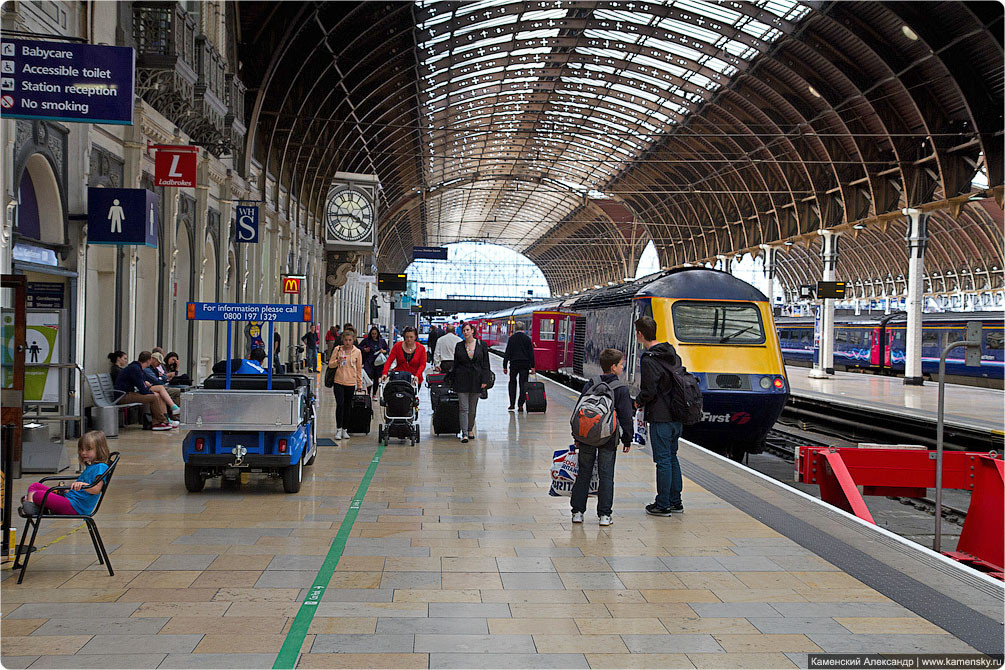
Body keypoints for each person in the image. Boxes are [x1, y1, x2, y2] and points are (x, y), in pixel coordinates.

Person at [569, 349, 633, 526]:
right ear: (613, 367)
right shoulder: (620, 389)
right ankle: (604, 515)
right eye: (621, 365)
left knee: (584, 473)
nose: (623, 367)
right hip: (608, 438)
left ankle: (577, 512)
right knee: (606, 475)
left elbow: (579, 410)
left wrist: (577, 436)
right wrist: (628, 439)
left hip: (586, 435)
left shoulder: (590, 384)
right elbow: (626, 417)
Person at [634, 315, 685, 516]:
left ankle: (662, 503)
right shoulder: (673, 354)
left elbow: (649, 390)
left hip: (661, 417)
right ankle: (676, 501)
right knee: (672, 457)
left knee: (662, 459)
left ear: (640, 334)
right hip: (677, 415)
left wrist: (638, 401)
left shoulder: (649, 359)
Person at [23, 430, 111, 516]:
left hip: (75, 506)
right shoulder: (92, 466)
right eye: (81, 449)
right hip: (69, 499)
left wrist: (83, 485)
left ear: (99, 450)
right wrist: (68, 490)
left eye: (88, 449)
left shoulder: (101, 467)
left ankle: (32, 506)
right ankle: (32, 505)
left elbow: (96, 490)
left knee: (38, 495)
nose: (83, 453)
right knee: (35, 486)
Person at [449, 323, 490, 443]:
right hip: (462, 380)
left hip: (477, 380)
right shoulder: (459, 346)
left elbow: (485, 364)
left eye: (467, 330)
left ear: (473, 331)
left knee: (472, 408)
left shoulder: (481, 345)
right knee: (463, 408)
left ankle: (470, 428)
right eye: (464, 330)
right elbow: (456, 364)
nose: (465, 332)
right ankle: (465, 433)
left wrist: (485, 380)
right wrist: (453, 379)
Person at [113, 351, 175, 430]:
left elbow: (141, 384)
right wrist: (150, 392)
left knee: (155, 395)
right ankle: (159, 422)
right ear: (149, 360)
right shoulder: (136, 369)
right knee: (154, 397)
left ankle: (162, 421)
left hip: (126, 393)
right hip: (123, 396)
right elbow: (143, 389)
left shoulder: (135, 367)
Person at [329, 327, 364, 440]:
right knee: (340, 405)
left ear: (353, 340)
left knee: (347, 406)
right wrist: (337, 361)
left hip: (350, 382)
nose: (348, 342)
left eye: (350, 340)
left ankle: (345, 429)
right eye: (346, 340)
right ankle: (338, 429)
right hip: (338, 381)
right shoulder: (337, 349)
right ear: (342, 340)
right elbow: (330, 365)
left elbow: (359, 369)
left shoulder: (357, 352)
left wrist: (359, 384)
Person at [503, 321, 536, 411]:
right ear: (523, 328)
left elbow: (507, 352)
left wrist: (505, 366)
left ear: (515, 329)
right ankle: (521, 405)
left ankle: (512, 404)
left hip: (514, 364)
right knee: (523, 384)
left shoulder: (512, 338)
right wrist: (532, 366)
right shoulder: (527, 339)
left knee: (512, 383)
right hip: (525, 365)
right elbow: (531, 353)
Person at [359, 326, 389, 400]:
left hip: (379, 363)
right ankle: (368, 393)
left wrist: (384, 351)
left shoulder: (382, 341)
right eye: (372, 334)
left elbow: (387, 349)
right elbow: (359, 347)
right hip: (369, 362)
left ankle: (374, 394)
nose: (374, 335)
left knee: (376, 379)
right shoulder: (367, 340)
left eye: (375, 334)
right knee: (369, 378)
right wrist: (365, 349)